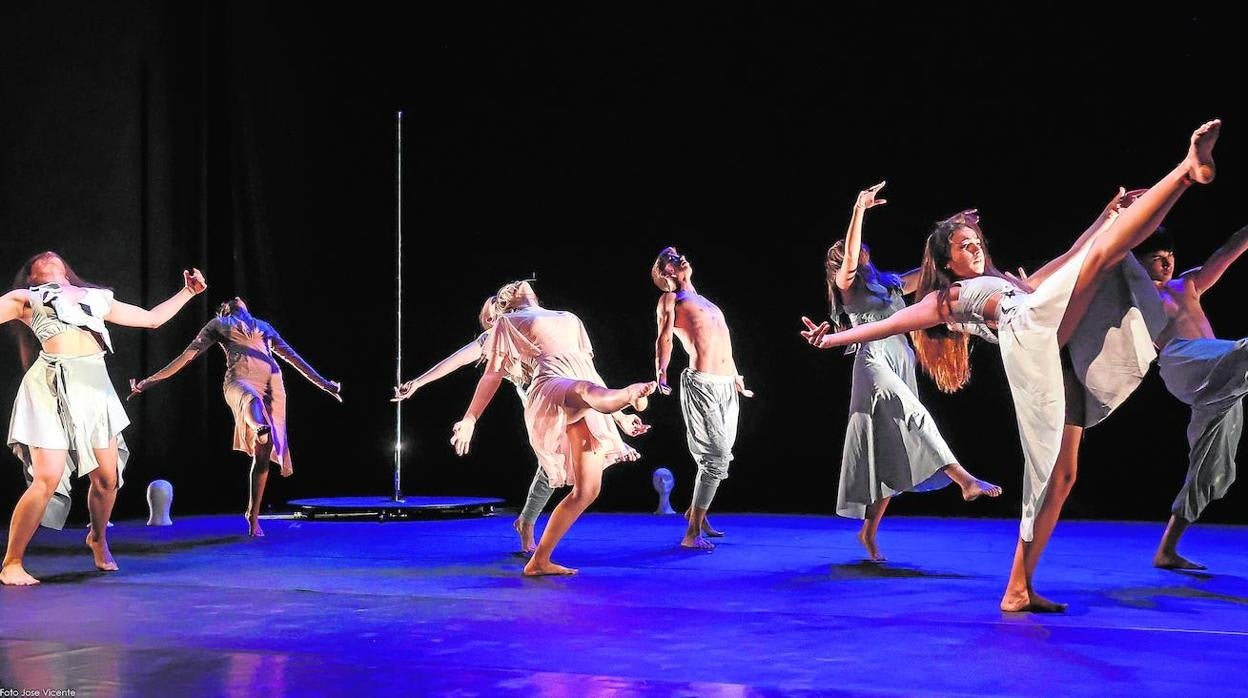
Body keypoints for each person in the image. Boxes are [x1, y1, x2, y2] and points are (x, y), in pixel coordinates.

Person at [801, 120, 1220, 610]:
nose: (974, 246)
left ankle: (1017, 588)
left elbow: (1066, 262)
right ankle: (1187, 172)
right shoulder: (948, 296)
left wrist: (1103, 217)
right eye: (963, 244)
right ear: (949, 261)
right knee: (1107, 256)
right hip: (1027, 336)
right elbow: (885, 326)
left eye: (976, 239)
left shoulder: (1001, 279)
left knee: (1061, 476)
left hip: (1045, 340)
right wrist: (834, 339)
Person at [2, 251, 207, 585]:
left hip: (94, 387)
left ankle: (97, 538)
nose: (49, 257)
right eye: (39, 261)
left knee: (107, 479)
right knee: (47, 478)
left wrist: (188, 292)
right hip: (49, 386)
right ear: (32, 277)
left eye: (57, 259)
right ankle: (12, 562)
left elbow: (152, 319)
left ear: (67, 274)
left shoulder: (95, 299)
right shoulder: (26, 298)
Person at [822, 182, 1000, 562]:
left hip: (901, 360)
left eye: (862, 254)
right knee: (917, 416)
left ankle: (868, 532)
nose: (859, 258)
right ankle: (963, 479)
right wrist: (859, 211)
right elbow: (850, 259)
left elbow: (933, 267)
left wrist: (953, 229)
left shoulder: (889, 285)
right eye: (851, 257)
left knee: (891, 449)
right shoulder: (849, 288)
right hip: (873, 363)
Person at [394, 294, 648, 553]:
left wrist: (620, 417)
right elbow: (455, 360)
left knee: (560, 467)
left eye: (505, 307)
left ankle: (527, 523)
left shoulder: (531, 325)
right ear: (490, 320)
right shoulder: (495, 338)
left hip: (568, 392)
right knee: (554, 467)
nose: (502, 313)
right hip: (545, 406)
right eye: (495, 312)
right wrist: (419, 383)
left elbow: (586, 374)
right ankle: (528, 526)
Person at [451, 280, 656, 575]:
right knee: (585, 390)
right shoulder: (508, 322)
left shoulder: (569, 318)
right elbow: (491, 376)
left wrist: (620, 417)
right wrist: (470, 418)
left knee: (587, 490)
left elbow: (589, 370)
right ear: (507, 302)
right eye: (512, 285)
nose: (521, 282)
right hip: (551, 387)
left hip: (585, 393)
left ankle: (539, 561)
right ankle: (625, 396)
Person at [129, 296, 341, 537]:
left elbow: (294, 358)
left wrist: (325, 385)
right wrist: (146, 383)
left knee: (263, 455)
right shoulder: (219, 324)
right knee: (251, 402)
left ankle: (253, 514)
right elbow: (187, 356)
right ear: (226, 310)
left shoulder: (264, 326)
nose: (237, 299)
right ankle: (259, 425)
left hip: (272, 386)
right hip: (240, 382)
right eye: (230, 301)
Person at [1134, 223, 1248, 570]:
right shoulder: (1137, 297)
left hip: (1221, 377)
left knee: (1210, 470)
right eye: (1156, 259)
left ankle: (1166, 551)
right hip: (1185, 363)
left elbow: (1227, 251)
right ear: (1139, 264)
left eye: (1169, 256)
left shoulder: (1188, 285)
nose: (1167, 264)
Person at [652, 246, 753, 550]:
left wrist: (736, 376)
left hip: (725, 385)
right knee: (716, 457)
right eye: (670, 257)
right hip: (703, 385)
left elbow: (723, 342)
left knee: (717, 460)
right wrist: (662, 371)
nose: (678, 257)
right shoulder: (671, 299)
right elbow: (664, 337)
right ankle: (691, 533)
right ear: (664, 272)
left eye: (677, 253)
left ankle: (698, 512)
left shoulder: (704, 301)